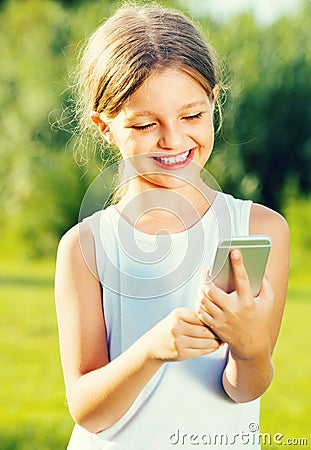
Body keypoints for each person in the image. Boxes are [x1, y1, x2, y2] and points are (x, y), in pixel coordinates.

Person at [54, 3, 290, 449]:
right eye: (145, 124)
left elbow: (245, 387)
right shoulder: (85, 246)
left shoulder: (260, 229)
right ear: (104, 127)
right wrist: (151, 350)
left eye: (192, 116)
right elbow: (87, 409)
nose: (174, 140)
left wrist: (249, 345)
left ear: (213, 101)